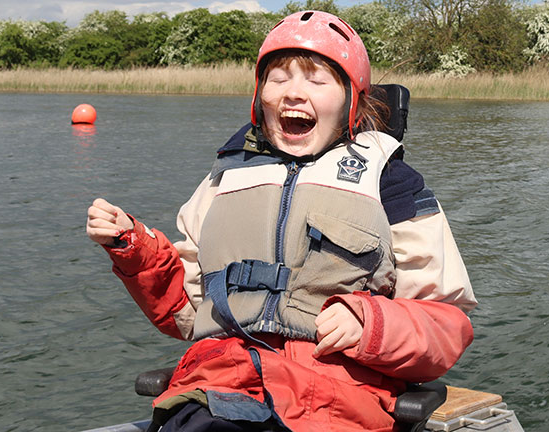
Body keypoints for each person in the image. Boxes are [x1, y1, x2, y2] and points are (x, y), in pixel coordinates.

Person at [86, 10, 477, 432]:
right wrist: (134, 248)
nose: (293, 92)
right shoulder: (225, 178)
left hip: (334, 400)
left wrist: (369, 322)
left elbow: (445, 324)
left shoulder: (392, 185)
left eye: (315, 79)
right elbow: (187, 313)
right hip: (219, 388)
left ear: (352, 99)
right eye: (278, 78)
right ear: (260, 94)